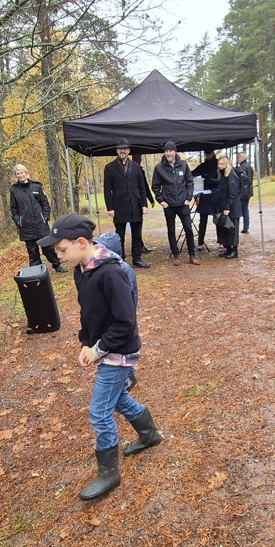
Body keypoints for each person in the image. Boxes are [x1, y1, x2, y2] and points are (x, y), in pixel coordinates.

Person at [37, 214, 162, 501]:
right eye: (56, 251)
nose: (58, 256)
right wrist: (85, 342)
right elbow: (89, 313)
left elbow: (125, 323)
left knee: (99, 412)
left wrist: (97, 349)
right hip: (106, 348)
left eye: (61, 249)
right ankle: (149, 434)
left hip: (120, 351)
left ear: (81, 243)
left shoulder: (110, 273)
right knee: (116, 399)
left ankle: (109, 472)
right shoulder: (82, 270)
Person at [102, 138, 151, 269]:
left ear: (128, 151)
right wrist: (110, 208)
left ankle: (137, 258)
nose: (122, 151)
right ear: (117, 151)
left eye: (125, 148)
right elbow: (107, 190)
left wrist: (144, 204)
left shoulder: (135, 167)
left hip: (135, 204)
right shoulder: (110, 167)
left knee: (137, 234)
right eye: (120, 149)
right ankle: (121, 259)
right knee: (120, 235)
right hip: (119, 206)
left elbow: (142, 187)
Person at [8, 164, 65, 273]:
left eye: (22, 173)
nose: (20, 175)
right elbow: (13, 208)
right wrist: (18, 221)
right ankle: (36, 270)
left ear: (26, 173)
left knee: (47, 247)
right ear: (16, 176)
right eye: (18, 174)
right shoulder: (14, 190)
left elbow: (45, 204)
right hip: (26, 226)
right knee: (32, 250)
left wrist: (45, 217)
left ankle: (57, 265)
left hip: (40, 224)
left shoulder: (36, 187)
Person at [152, 141, 199, 266]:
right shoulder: (159, 168)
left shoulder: (183, 165)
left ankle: (192, 255)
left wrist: (188, 198)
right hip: (169, 205)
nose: (168, 153)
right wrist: (161, 201)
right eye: (166, 151)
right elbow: (155, 186)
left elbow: (190, 182)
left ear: (175, 152)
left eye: (170, 150)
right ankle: (176, 256)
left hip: (183, 203)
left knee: (188, 229)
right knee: (171, 230)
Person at [192, 150, 220, 253]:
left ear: (212, 153)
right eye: (206, 153)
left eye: (209, 153)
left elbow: (222, 179)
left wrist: (209, 180)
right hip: (205, 196)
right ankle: (200, 243)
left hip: (216, 195)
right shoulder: (204, 165)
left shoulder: (218, 164)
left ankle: (221, 242)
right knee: (202, 221)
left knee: (218, 220)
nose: (207, 155)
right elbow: (193, 173)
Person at [216, 155, 242, 259]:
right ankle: (228, 249)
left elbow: (233, 193)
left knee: (232, 230)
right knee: (225, 229)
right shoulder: (223, 176)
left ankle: (234, 251)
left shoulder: (232, 175)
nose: (219, 166)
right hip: (225, 206)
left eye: (222, 164)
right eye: (218, 164)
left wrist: (227, 207)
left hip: (232, 207)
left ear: (227, 164)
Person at [235, 152, 255, 234]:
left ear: (241, 157)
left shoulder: (242, 168)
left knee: (239, 210)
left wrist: (239, 191)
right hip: (248, 191)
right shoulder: (249, 166)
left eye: (238, 158)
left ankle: (242, 227)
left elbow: (242, 181)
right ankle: (246, 227)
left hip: (243, 192)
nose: (237, 159)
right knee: (245, 209)